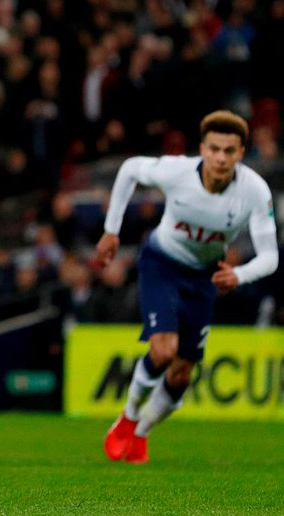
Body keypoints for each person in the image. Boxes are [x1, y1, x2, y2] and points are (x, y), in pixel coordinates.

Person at [98, 110, 278, 463]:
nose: (221, 158)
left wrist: (239, 276)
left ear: (241, 153)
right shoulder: (178, 171)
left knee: (181, 375)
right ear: (202, 149)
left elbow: (270, 256)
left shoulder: (255, 191)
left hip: (204, 276)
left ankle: (141, 432)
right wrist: (111, 229)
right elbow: (130, 168)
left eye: (229, 150)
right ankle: (128, 416)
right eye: (214, 149)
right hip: (162, 263)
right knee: (164, 351)